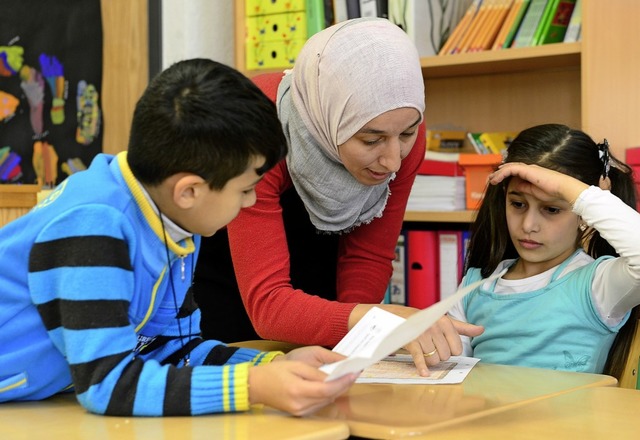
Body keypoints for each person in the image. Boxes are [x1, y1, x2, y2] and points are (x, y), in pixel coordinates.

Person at [0, 58, 359, 416]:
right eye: (246, 189)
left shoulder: (173, 217)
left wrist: (269, 366)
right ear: (189, 191)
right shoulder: (94, 227)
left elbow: (173, 348)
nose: (251, 201)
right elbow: (108, 385)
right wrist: (253, 387)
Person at [194, 17, 484, 376]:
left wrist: (357, 344)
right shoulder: (255, 129)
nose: (393, 160)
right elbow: (267, 306)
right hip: (236, 285)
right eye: (370, 140)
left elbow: (368, 254)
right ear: (328, 115)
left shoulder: (399, 125)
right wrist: (378, 319)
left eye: (407, 134)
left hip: (321, 298)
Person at [448, 123, 640, 378]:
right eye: (517, 204)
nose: (528, 225)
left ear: (583, 211)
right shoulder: (476, 285)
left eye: (551, 209)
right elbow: (449, 375)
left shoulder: (597, 285)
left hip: (568, 420)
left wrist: (576, 192)